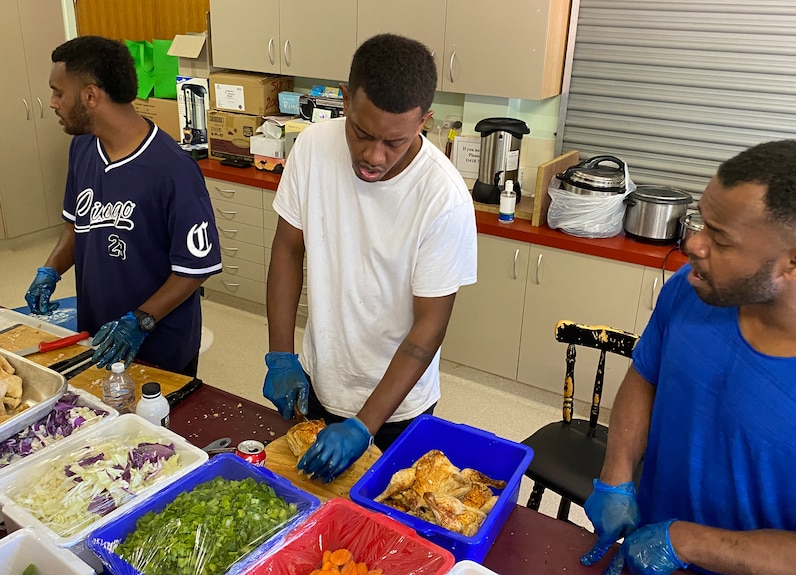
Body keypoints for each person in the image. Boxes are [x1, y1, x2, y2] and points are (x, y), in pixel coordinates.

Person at [579, 140, 796, 575]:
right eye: (702, 221)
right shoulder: (693, 288)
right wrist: (616, 471)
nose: (693, 243)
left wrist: (687, 542)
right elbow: (646, 376)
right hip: (643, 558)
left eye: (721, 239)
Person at [263, 33, 478, 483]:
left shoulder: (443, 198)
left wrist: (365, 423)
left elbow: (430, 326)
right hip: (320, 379)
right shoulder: (312, 149)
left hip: (397, 403)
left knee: (385, 527)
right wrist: (280, 355)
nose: (372, 156)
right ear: (344, 100)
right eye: (361, 133)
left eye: (394, 142)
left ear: (425, 120)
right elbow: (287, 248)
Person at [24, 36, 221, 377]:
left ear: (90, 95)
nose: (53, 103)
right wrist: (50, 269)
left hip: (158, 344)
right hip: (96, 335)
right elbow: (77, 225)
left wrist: (140, 320)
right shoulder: (83, 149)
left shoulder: (172, 169)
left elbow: (195, 268)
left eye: (58, 92)